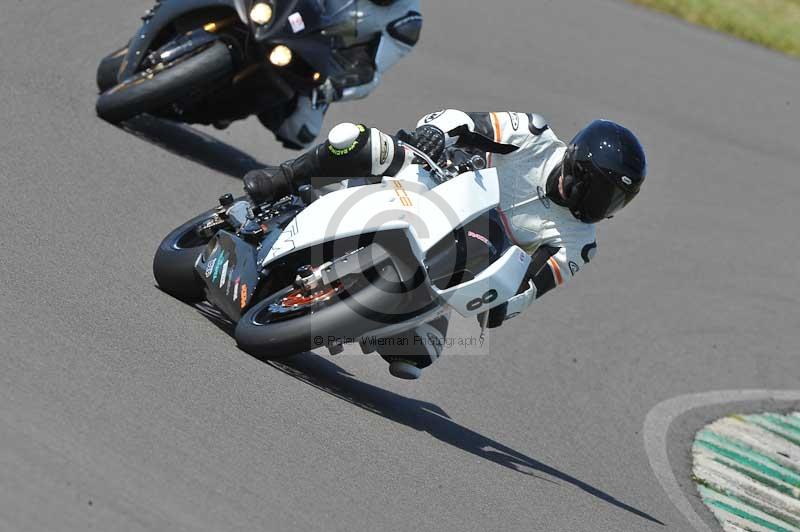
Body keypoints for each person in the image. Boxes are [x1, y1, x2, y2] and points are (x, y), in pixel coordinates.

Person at [243, 109, 647, 378]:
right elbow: (459, 120)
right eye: (598, 189)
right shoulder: (533, 134)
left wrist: (505, 297)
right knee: (359, 140)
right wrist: (436, 133)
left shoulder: (580, 243)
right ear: (576, 165)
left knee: (415, 356)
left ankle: (340, 310)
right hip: (432, 186)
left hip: (456, 261)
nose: (600, 205)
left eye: (614, 199)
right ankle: (283, 177)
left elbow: (529, 290)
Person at [259, 1, 422, 149]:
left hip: (313, 57)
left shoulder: (406, 20)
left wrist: (334, 86)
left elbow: (370, 70)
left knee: (300, 131)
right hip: (283, 10)